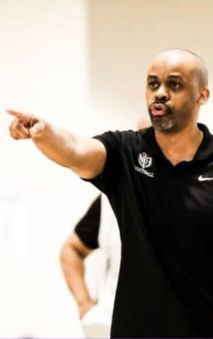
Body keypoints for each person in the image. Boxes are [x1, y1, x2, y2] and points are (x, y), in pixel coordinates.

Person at [7, 48, 213, 338]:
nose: (160, 93)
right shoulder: (124, 153)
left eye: (174, 84)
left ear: (202, 95)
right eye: (153, 84)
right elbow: (74, 149)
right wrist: (44, 133)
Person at [59, 116, 151, 338]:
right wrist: (85, 305)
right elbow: (71, 251)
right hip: (115, 325)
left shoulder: (198, 196)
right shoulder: (110, 200)